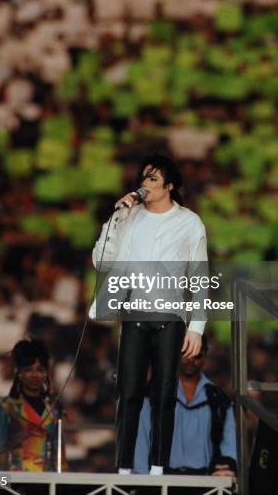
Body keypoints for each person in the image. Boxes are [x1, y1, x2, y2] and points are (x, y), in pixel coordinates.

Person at [91, 154, 208, 475]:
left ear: (169, 186)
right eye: (144, 177)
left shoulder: (189, 222)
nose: (146, 184)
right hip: (133, 313)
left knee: (163, 395)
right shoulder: (128, 217)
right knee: (128, 392)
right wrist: (115, 220)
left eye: (153, 179)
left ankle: (158, 468)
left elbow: (199, 277)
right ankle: (124, 468)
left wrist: (196, 327)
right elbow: (101, 261)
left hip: (170, 316)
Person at [133, 335, 237, 476]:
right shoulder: (152, 394)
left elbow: (229, 447)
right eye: (185, 353)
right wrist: (142, 482)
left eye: (197, 355)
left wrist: (227, 470)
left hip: (207, 483)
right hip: (160, 481)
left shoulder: (219, 400)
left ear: (205, 356)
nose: (191, 360)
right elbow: (140, 442)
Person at [0, 339, 66, 472]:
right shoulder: (4, 406)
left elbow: (59, 452)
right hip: (17, 478)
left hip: (47, 479)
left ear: (46, 374)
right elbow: (0, 452)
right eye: (28, 370)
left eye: (40, 370)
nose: (35, 375)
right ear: (19, 373)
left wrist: (63, 482)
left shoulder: (53, 407)